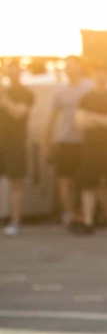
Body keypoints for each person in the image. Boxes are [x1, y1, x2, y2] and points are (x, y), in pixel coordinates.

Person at [74, 64, 107, 235]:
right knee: (88, 185)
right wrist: (106, 119)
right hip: (91, 148)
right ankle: (88, 222)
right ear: (93, 76)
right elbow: (81, 123)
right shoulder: (85, 98)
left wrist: (94, 118)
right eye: (97, 73)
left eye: (104, 73)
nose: (100, 76)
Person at [46, 56, 92, 228]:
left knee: (89, 181)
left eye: (72, 66)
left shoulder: (91, 86)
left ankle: (88, 216)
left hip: (87, 141)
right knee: (65, 181)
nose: (69, 70)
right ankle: (70, 214)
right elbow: (52, 118)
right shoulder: (60, 91)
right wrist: (46, 143)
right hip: (66, 140)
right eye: (67, 67)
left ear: (80, 68)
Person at [0, 61, 35, 237]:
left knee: (16, 182)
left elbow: (18, 113)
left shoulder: (26, 94)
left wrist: (4, 97)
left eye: (15, 71)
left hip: (15, 143)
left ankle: (15, 220)